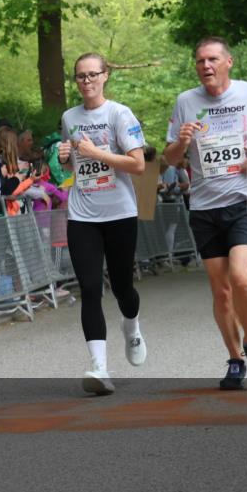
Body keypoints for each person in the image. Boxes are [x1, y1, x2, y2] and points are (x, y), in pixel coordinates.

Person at [164, 36, 247, 390]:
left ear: (228, 62)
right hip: (204, 207)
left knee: (242, 278)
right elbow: (170, 159)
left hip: (245, 200)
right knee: (220, 292)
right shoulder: (186, 102)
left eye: (213, 59)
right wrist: (182, 143)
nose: (206, 66)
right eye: (200, 60)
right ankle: (235, 359)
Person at [57, 52, 147, 395]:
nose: (87, 81)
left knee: (123, 287)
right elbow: (72, 166)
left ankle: (132, 326)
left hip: (120, 212)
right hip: (83, 214)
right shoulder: (69, 116)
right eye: (81, 76)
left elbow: (138, 164)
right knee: (90, 288)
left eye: (93, 75)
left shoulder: (119, 114)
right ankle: (99, 367)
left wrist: (97, 154)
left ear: (105, 76)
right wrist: (66, 159)